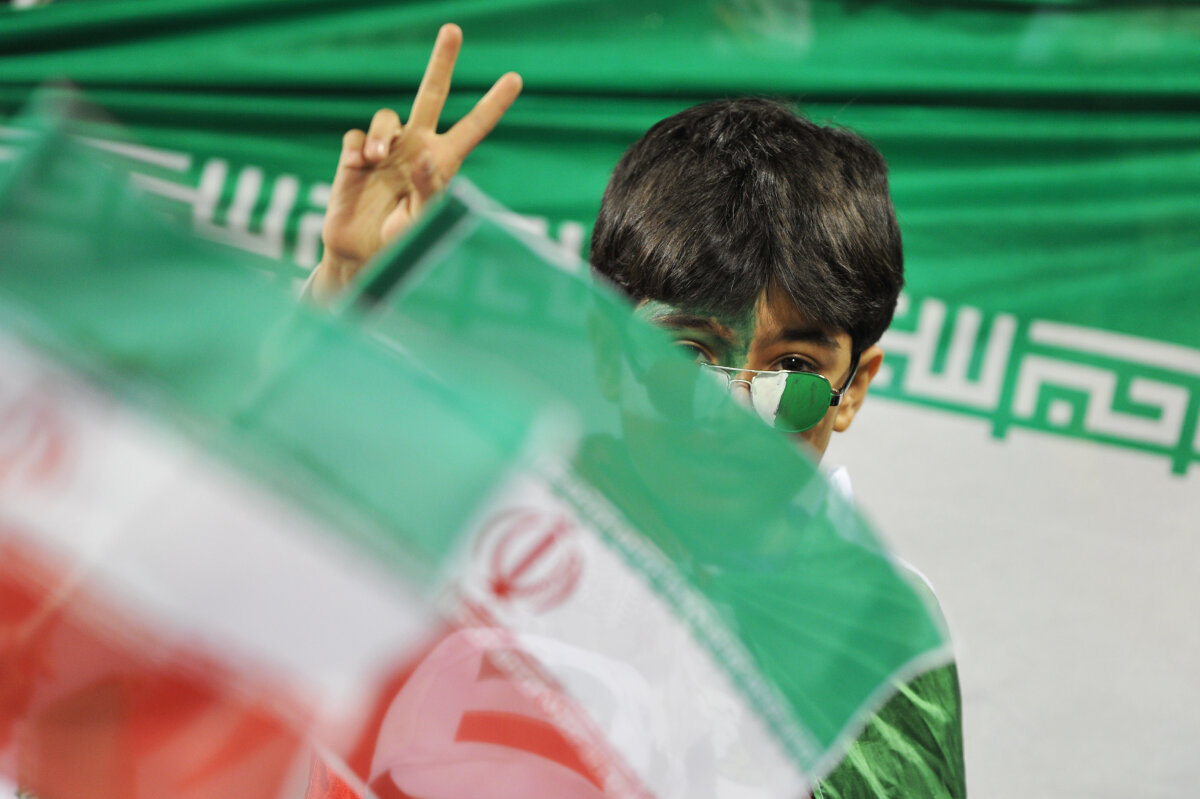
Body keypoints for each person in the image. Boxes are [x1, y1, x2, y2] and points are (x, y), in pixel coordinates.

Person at [308, 23, 965, 799]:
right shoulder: (487, 525)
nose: (731, 414)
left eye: (792, 368)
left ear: (852, 386)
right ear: (608, 349)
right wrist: (343, 283)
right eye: (687, 355)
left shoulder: (878, 645)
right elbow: (262, 533)